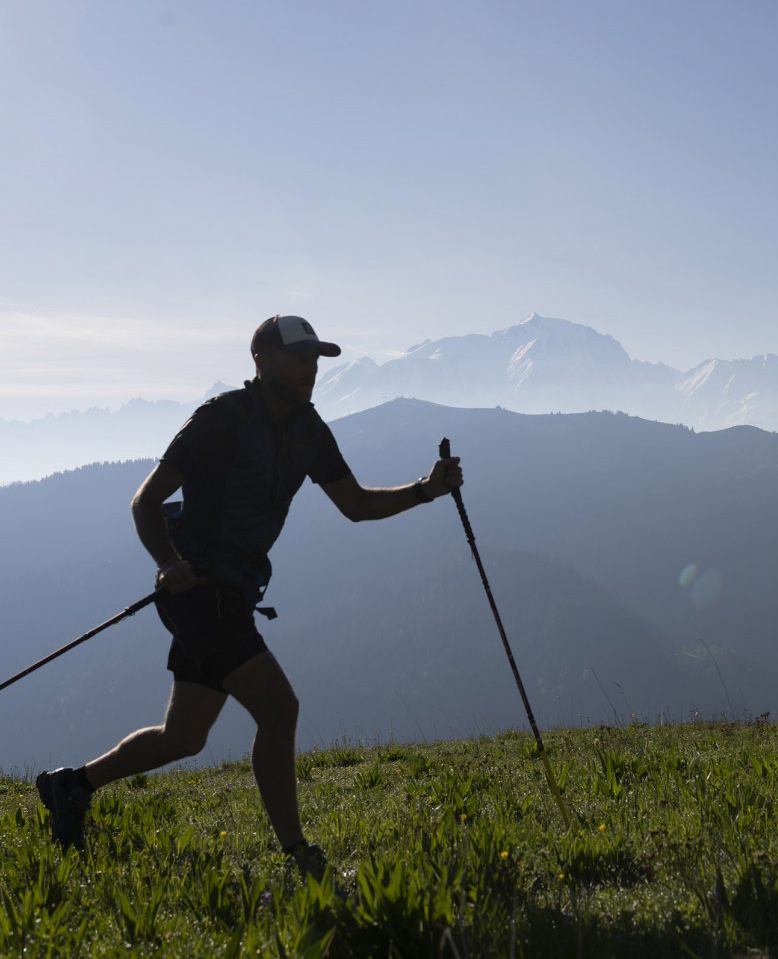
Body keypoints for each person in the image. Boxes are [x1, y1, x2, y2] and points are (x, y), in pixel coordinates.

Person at [36, 315, 462, 874]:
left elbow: (355, 505)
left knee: (184, 737)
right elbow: (145, 501)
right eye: (299, 358)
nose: (311, 370)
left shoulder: (309, 430)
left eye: (315, 360)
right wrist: (168, 564)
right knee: (279, 708)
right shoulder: (221, 419)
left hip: (231, 594)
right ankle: (296, 854)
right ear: (261, 361)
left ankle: (72, 785)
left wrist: (426, 490)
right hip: (195, 590)